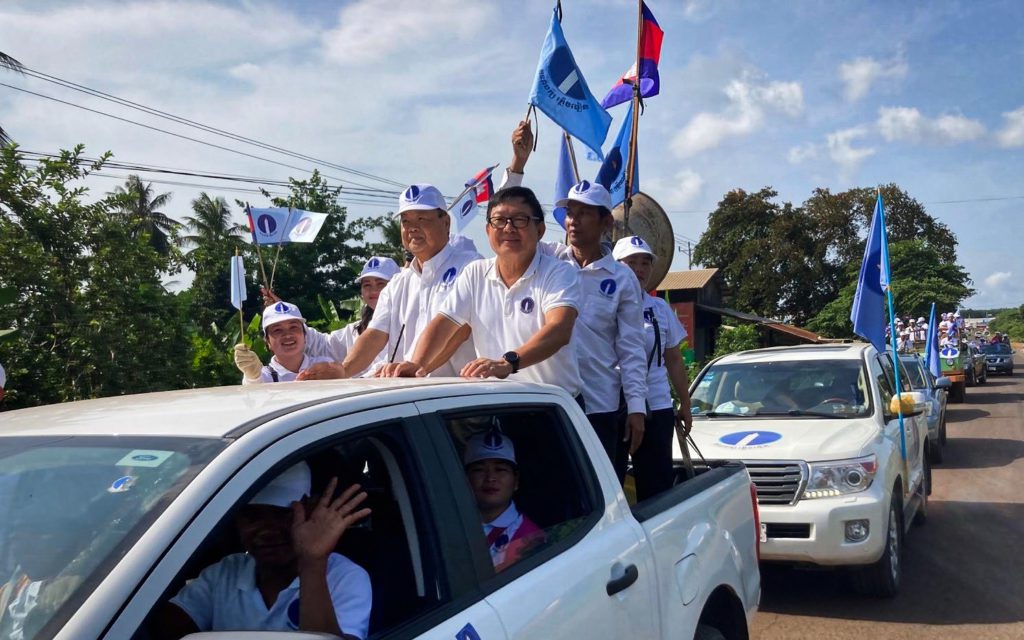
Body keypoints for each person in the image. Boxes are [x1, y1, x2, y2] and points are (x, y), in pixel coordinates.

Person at [495, 122, 647, 476]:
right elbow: (505, 220)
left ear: (607, 222)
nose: (573, 220)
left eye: (584, 213)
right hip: (547, 401)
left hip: (598, 406)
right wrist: (517, 165)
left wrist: (636, 406)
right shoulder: (546, 258)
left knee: (598, 495)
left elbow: (631, 347)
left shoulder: (622, 278)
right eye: (570, 212)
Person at [379, 187, 584, 405]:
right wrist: (417, 364)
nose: (508, 228)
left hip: (553, 406)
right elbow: (444, 324)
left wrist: (507, 363)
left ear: (540, 230)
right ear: (488, 230)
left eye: (520, 220)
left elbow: (559, 330)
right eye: (499, 220)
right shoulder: (476, 273)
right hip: (496, 404)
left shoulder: (559, 272)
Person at [157, 463, 372, 639]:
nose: (268, 531)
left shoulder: (345, 577)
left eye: (282, 514)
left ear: (310, 512)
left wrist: (312, 562)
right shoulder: (225, 572)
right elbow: (162, 628)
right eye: (253, 517)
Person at [299, 184, 482, 381]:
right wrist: (344, 370)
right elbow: (375, 334)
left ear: (445, 222)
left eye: (422, 219)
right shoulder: (398, 282)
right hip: (408, 394)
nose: (412, 228)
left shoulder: (470, 267)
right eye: (406, 221)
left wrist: (418, 367)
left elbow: (460, 330)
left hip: (460, 397)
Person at [613, 236, 694, 501]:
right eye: (631, 262)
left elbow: (673, 359)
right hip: (613, 404)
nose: (640, 269)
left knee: (657, 485)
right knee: (611, 483)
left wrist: (684, 402)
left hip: (656, 406)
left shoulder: (658, 307)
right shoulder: (602, 303)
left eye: (645, 263)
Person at [302, 256, 401, 377]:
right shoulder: (354, 331)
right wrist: (287, 318)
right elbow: (321, 345)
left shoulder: (409, 324)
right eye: (367, 285)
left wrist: (345, 372)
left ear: (397, 287)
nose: (373, 290)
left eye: (381, 284)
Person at [463, 430, 544, 572]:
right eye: (479, 470)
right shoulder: (453, 527)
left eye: (500, 470)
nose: (490, 478)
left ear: (516, 480)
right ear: (465, 479)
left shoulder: (532, 538)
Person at [233, 302, 335, 384]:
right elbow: (253, 395)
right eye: (277, 330)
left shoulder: (325, 364)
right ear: (267, 341)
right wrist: (252, 377)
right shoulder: (264, 377)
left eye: (293, 327)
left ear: (305, 336)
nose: (287, 335)